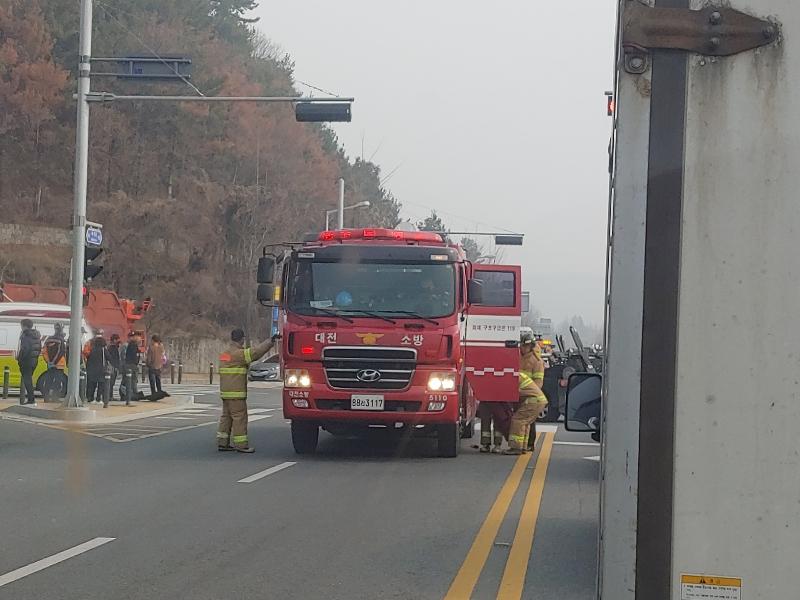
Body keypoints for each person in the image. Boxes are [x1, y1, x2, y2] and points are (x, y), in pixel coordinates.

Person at [216, 329, 277, 453]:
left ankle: (222, 442)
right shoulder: (239, 354)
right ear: (242, 339)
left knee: (226, 417)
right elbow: (256, 353)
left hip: (225, 393)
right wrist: (270, 342)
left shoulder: (225, 354)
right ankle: (241, 445)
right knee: (240, 418)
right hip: (236, 393)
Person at [504, 333, 549, 455]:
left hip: (529, 394)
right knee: (524, 422)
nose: (522, 348)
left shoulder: (536, 361)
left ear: (530, 346)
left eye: (525, 346)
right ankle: (523, 446)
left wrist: (530, 391)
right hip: (522, 394)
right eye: (522, 346)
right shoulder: (519, 357)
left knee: (520, 421)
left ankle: (522, 446)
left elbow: (538, 382)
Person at [40, 323, 68, 401]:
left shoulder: (48, 339)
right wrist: (55, 362)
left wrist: (49, 361)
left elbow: (44, 351)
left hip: (50, 365)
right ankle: (55, 398)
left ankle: (46, 397)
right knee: (58, 381)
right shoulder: (61, 340)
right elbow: (61, 352)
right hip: (59, 365)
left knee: (48, 380)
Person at [16, 319, 41, 406]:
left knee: (27, 381)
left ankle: (31, 400)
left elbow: (24, 349)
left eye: (21, 325)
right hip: (34, 361)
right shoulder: (36, 336)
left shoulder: (26, 335)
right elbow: (38, 349)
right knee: (28, 379)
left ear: (24, 326)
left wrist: (19, 359)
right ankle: (31, 399)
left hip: (26, 361)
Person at [86, 335, 110, 407]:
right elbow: (109, 357)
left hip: (92, 370)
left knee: (92, 385)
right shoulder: (103, 350)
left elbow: (89, 359)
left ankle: (90, 398)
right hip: (101, 370)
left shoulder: (92, 349)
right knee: (101, 385)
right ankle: (98, 399)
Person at [121, 331, 141, 405]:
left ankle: (129, 395)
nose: (139, 338)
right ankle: (130, 395)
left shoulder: (133, 345)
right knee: (131, 380)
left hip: (131, 365)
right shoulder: (131, 345)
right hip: (130, 365)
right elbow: (128, 356)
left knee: (130, 380)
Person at [107, 334, 121, 401]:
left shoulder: (109, 347)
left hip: (112, 366)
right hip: (113, 367)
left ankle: (109, 395)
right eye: (117, 339)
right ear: (114, 340)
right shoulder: (113, 348)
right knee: (111, 382)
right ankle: (110, 396)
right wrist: (116, 367)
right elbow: (115, 358)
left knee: (110, 382)